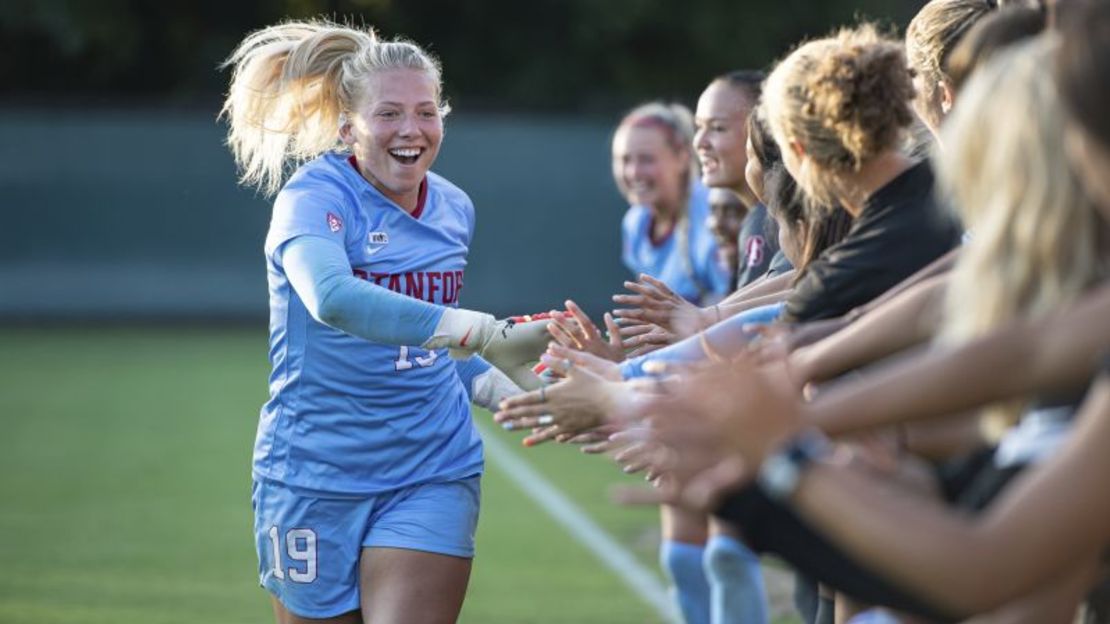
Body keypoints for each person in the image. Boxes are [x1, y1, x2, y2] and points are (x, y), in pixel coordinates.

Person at [221, 20, 549, 623]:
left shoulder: (453, 207)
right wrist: (481, 331)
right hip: (312, 472)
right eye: (389, 113)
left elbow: (430, 348)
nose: (411, 130)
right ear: (348, 129)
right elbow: (333, 299)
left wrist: (513, 389)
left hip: (432, 466)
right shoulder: (313, 198)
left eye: (427, 112)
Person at [615, 102, 731, 307]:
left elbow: (733, 301)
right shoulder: (636, 222)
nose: (633, 172)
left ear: (682, 157)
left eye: (646, 159)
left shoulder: (715, 212)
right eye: (624, 160)